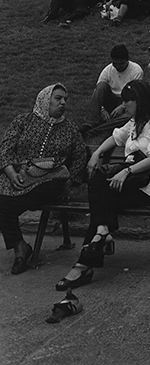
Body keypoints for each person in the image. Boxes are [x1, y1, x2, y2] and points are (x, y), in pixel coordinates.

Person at [56, 81, 150, 290]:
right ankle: (101, 233)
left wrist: (126, 171)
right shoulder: (134, 123)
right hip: (133, 182)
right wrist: (96, 154)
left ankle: (84, 263)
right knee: (99, 187)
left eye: (127, 101)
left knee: (101, 201)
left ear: (139, 101)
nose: (123, 106)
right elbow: (115, 137)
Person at [0, 85, 86, 274]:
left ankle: (20, 248)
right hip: (20, 177)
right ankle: (19, 245)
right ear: (45, 99)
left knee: (16, 198)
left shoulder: (69, 128)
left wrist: (70, 182)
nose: (63, 102)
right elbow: (5, 148)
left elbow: (80, 155)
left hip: (51, 182)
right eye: (58, 98)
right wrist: (11, 173)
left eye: (65, 99)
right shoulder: (23, 121)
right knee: (2, 201)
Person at [84, 45, 145, 132]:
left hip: (127, 101)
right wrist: (102, 109)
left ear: (127, 60)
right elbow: (98, 91)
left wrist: (123, 106)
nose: (117, 66)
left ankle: (100, 129)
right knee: (102, 85)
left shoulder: (136, 71)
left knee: (130, 116)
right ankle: (90, 122)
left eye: (121, 64)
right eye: (115, 64)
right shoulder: (108, 70)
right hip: (111, 99)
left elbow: (135, 94)